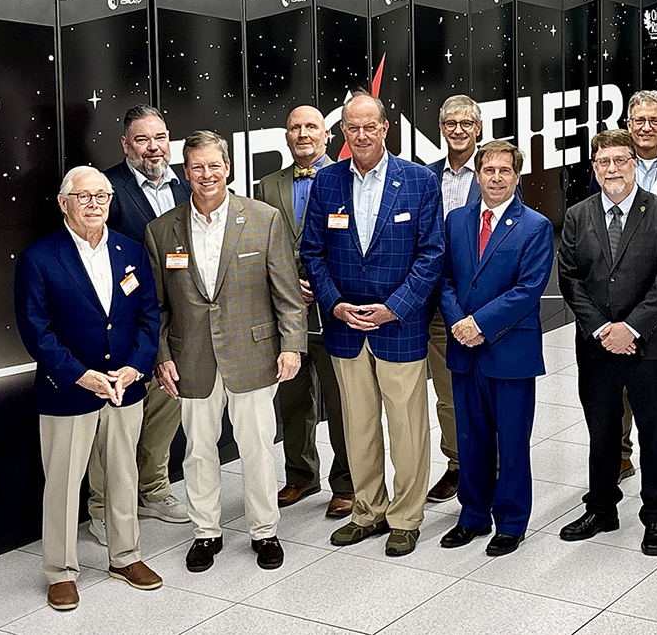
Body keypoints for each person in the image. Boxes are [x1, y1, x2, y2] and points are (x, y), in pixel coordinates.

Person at [145, 131, 306, 573]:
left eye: (214, 165)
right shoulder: (161, 231)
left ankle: (264, 530)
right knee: (198, 450)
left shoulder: (263, 219)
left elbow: (288, 295)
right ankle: (206, 532)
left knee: (257, 447)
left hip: (254, 354)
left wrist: (292, 344)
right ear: (185, 172)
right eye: (197, 167)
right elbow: (157, 306)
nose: (206, 174)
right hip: (191, 359)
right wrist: (162, 356)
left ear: (228, 167)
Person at [300, 92, 445, 557]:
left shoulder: (419, 180)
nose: (361, 135)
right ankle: (367, 511)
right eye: (352, 127)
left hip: (399, 325)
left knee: (406, 429)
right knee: (358, 426)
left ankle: (405, 518)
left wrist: (395, 307)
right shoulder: (327, 181)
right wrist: (334, 304)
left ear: (385, 128)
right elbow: (312, 252)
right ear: (342, 132)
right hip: (345, 327)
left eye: (370, 126)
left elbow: (432, 254)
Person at [14, 166, 163, 611]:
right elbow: (36, 331)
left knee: (123, 475)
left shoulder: (131, 250)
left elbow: (149, 317)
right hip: (68, 389)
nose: (95, 204)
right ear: (64, 203)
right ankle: (61, 571)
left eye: (102, 195)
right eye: (84, 196)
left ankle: (125, 556)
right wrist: (81, 375)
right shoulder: (39, 257)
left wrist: (135, 368)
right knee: (63, 484)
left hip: (124, 388)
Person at [557, 129, 657, 556]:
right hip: (597, 347)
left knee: (656, 433)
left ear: (634, 164)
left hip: (652, 345)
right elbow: (570, 278)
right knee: (602, 431)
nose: (612, 169)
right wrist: (602, 329)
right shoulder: (577, 215)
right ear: (594, 168)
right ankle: (601, 509)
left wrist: (629, 328)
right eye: (603, 162)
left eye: (620, 160)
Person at [437, 140, 553, 557]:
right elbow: (445, 279)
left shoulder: (535, 226)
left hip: (509, 350)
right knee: (471, 439)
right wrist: (458, 322)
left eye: (506, 171)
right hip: (464, 348)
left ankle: (511, 521)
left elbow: (528, 289)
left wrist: (479, 325)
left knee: (513, 441)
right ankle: (472, 515)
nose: (497, 178)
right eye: (490, 170)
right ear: (479, 175)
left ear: (517, 177)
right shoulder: (456, 220)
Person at [85, 105, 192, 545]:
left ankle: (153, 489)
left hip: (175, 320)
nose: (153, 148)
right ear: (126, 145)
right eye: (143, 140)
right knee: (114, 421)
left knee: (165, 409)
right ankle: (102, 506)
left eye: (160, 137)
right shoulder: (107, 188)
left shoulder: (186, 185)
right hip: (124, 324)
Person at [253, 105, 354, 518]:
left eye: (311, 126)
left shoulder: (347, 179)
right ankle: (300, 475)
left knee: (342, 401)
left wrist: (323, 285)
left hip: (335, 307)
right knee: (294, 399)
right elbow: (260, 246)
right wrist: (287, 284)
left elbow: (356, 242)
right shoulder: (267, 186)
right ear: (286, 137)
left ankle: (346, 482)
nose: (303, 133)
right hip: (287, 311)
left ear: (327, 135)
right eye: (295, 127)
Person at [586, 90, 657, 484]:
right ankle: (620, 457)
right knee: (613, 397)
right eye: (638, 120)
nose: (646, 127)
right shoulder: (607, 164)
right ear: (628, 124)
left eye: (654, 120)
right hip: (612, 306)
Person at [423, 95, 485, 502]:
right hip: (437, 304)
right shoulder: (425, 176)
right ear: (441, 129)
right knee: (447, 393)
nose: (458, 130)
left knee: (487, 390)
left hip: (482, 303)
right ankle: (458, 464)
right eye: (450, 123)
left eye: (466, 123)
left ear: (478, 128)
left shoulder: (494, 172)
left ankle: (491, 465)